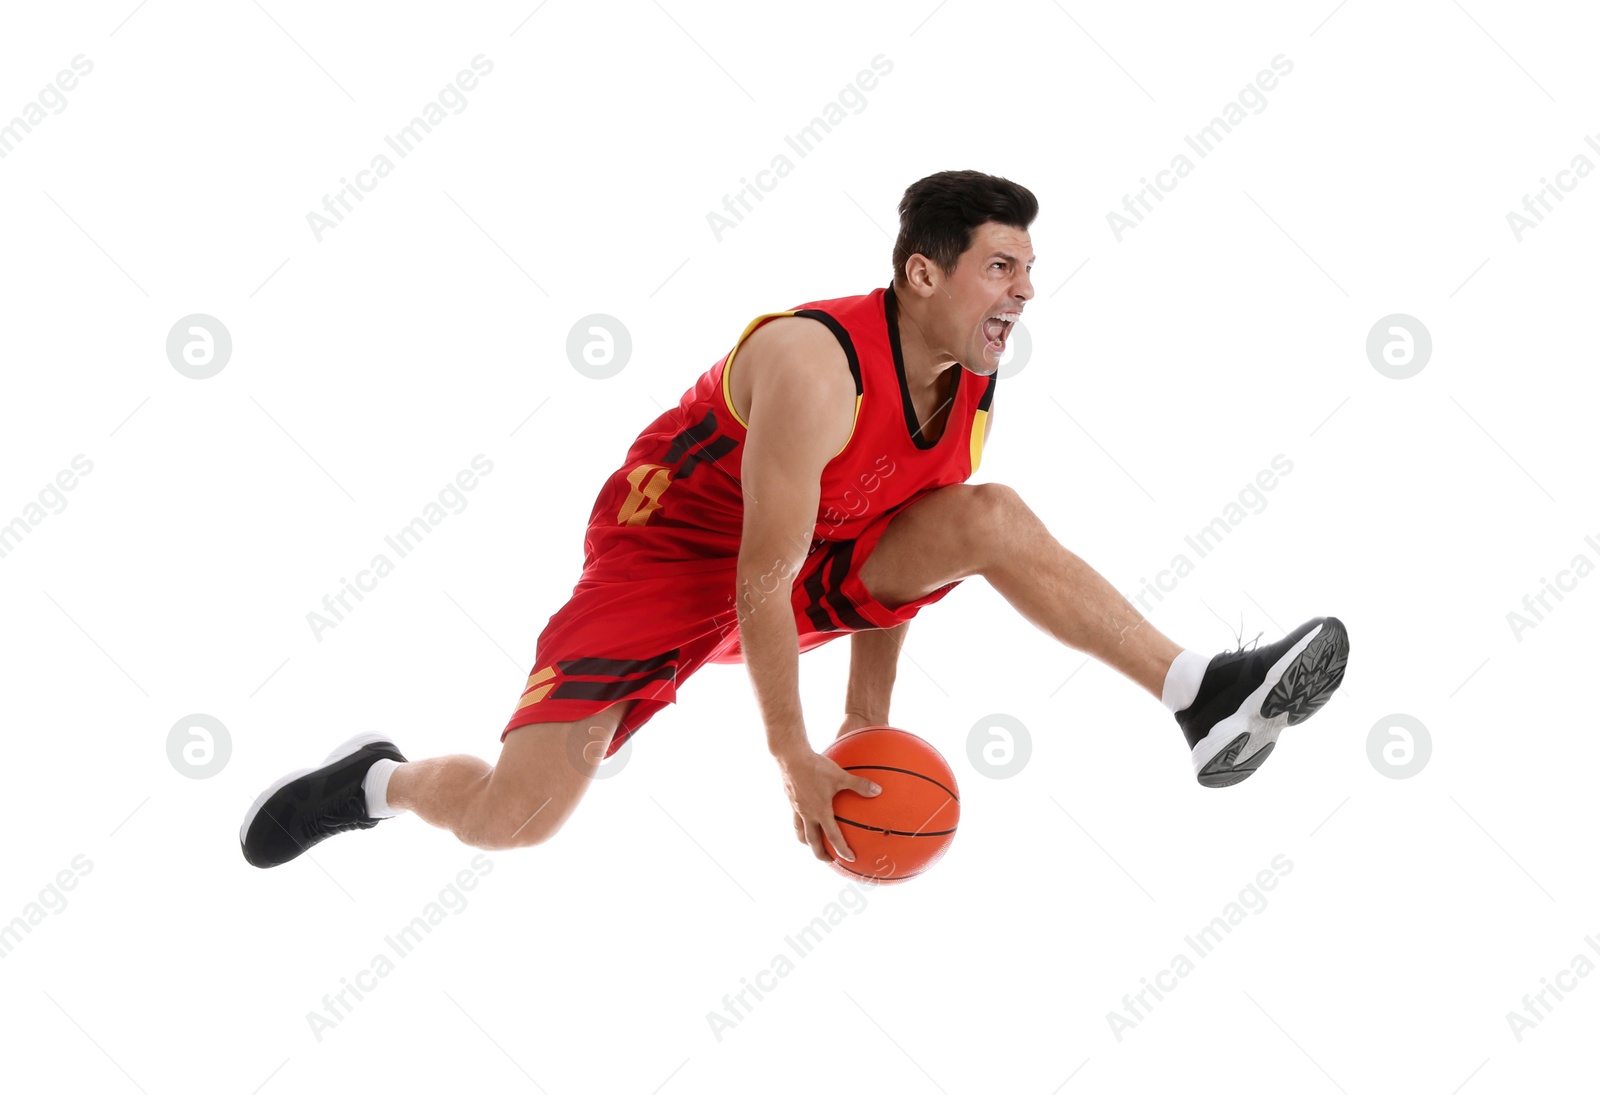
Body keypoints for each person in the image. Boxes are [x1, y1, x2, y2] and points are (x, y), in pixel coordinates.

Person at [240, 169, 1348, 872]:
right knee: (516, 820)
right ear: (923, 271)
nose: (1023, 289)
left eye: (1029, 268)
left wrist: (862, 742)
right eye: (1000, 266)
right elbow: (753, 585)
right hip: (669, 561)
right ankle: (374, 782)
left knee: (989, 515)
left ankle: (1197, 692)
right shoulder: (813, 365)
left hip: (807, 558)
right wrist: (792, 754)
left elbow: (892, 582)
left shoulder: (966, 388)